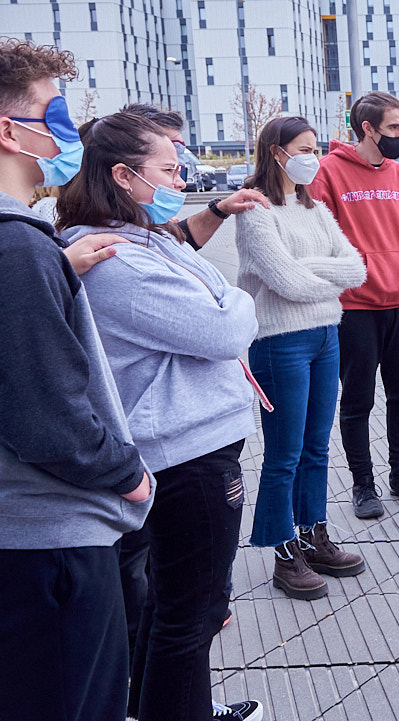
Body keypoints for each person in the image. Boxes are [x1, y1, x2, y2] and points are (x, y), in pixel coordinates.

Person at [55, 112, 263, 721]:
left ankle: (161, 705)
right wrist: (237, 297)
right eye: (169, 170)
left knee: (170, 606)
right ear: (124, 175)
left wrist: (222, 300)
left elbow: (213, 305)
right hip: (184, 451)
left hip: (187, 440)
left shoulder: (142, 236)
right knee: (192, 613)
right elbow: (222, 329)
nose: (181, 180)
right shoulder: (116, 257)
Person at [0, 38, 153, 721]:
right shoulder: (16, 248)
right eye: (53, 113)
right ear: (10, 132)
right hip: (50, 542)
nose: (68, 132)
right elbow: (46, 415)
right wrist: (128, 474)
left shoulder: (29, 247)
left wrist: (59, 267)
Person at [237, 116, 368, 599]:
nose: (314, 157)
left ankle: (314, 535)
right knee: (284, 454)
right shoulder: (255, 211)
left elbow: (356, 269)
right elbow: (285, 283)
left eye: (316, 148)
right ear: (276, 152)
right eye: (305, 149)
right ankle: (283, 551)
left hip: (325, 336)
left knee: (317, 447)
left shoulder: (315, 209)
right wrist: (318, 276)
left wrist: (306, 270)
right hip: (280, 343)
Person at [308, 91, 399, 519]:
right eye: (394, 127)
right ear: (367, 128)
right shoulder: (328, 172)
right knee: (357, 400)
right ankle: (363, 485)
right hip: (356, 308)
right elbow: (319, 238)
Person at [120, 103, 269, 249]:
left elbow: (183, 240)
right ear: (123, 175)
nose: (181, 183)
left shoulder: (143, 227)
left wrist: (221, 209)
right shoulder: (117, 246)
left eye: (179, 170)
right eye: (167, 169)